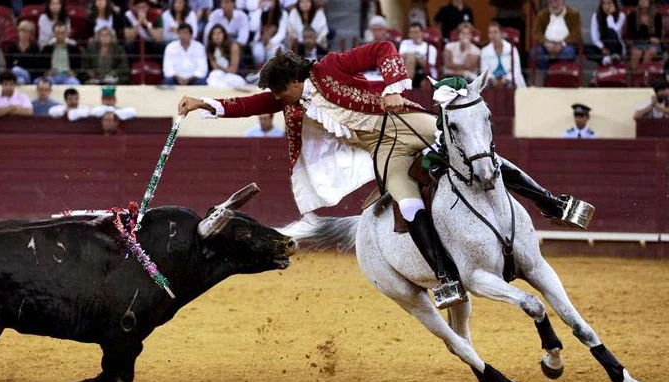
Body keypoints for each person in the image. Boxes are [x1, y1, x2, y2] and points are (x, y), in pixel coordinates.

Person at [176, 44, 590, 306]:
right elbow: (248, 105)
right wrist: (203, 104)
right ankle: (446, 278)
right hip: (384, 149)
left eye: (279, 91)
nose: (277, 99)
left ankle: (553, 203)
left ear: (293, 81)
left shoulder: (332, 67)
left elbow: (384, 49)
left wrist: (394, 85)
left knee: (479, 155)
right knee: (407, 202)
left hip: (406, 121)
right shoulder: (291, 103)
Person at [534, 0, 582, 71]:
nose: (554, 5)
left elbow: (576, 33)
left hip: (565, 45)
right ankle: (545, 76)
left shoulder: (574, 14)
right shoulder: (542, 15)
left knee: (568, 52)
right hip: (547, 45)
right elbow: (536, 32)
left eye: (556, 1)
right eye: (551, 2)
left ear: (563, 1)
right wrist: (546, 43)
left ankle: (561, 75)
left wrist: (562, 44)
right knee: (536, 52)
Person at [480, 21, 526, 88]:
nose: (493, 35)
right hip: (491, 82)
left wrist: (507, 79)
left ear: (501, 33)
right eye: (490, 33)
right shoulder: (484, 51)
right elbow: (484, 70)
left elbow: (517, 69)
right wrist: (492, 79)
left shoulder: (512, 48)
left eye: (495, 32)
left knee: (512, 85)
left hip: (509, 79)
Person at [626, 0, 663, 74]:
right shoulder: (632, 16)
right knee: (636, 52)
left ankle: (641, 74)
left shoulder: (657, 16)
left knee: (649, 52)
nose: (642, 2)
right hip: (638, 42)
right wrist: (648, 36)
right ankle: (635, 74)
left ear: (650, 2)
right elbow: (632, 34)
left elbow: (658, 35)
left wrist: (645, 35)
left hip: (652, 44)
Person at [398, 22, 438, 87]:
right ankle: (407, 85)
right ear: (409, 34)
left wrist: (415, 57)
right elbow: (400, 59)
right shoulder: (405, 43)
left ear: (422, 33)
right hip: (408, 69)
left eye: (416, 32)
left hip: (425, 73)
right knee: (411, 57)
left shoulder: (430, 48)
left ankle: (406, 86)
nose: (414, 34)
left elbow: (428, 66)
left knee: (411, 56)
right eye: (412, 32)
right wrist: (415, 57)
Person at [251, 0, 288, 66]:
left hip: (276, 42)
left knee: (272, 53)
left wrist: (272, 42)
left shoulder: (283, 13)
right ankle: (258, 71)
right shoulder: (261, 12)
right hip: (261, 40)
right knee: (258, 53)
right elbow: (253, 27)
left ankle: (271, 73)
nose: (268, 2)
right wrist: (259, 10)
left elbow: (282, 32)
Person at [588, 0, 626, 66]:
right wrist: (602, 47)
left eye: (609, 3)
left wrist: (610, 15)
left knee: (610, 31)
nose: (606, 6)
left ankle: (613, 57)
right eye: (604, 4)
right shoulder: (596, 16)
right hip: (603, 46)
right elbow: (594, 37)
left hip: (617, 46)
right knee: (586, 48)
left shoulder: (621, 15)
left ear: (614, 4)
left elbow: (615, 31)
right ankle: (606, 60)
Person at [5, 20, 43, 85]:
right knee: (20, 79)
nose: (24, 35)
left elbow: (38, 67)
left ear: (30, 34)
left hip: (30, 76)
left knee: (16, 69)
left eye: (27, 33)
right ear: (18, 33)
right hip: (16, 77)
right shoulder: (12, 48)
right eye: (22, 32)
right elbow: (8, 66)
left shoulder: (35, 48)